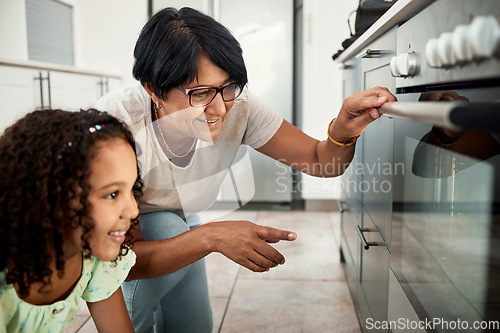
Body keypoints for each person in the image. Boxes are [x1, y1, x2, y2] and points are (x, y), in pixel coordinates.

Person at [95, 7, 397, 333]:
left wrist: (341, 131)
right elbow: (120, 260)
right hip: (128, 228)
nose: (219, 108)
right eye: (199, 93)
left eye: (228, 86)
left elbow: (320, 161)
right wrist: (211, 237)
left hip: (184, 214)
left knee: (194, 324)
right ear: (153, 89)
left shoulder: (238, 105)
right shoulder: (118, 126)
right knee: (161, 243)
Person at [0, 109, 143, 333]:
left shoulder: (93, 259)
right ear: (50, 195)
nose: (133, 210)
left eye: (132, 189)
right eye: (112, 194)